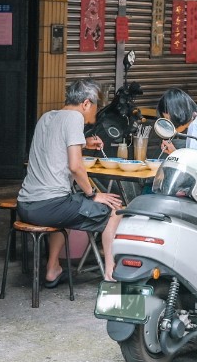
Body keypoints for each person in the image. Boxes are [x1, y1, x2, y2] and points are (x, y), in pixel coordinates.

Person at [17, 79, 123, 284]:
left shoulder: (46, 117)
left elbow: (54, 148)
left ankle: (53, 268)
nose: (95, 113)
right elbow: (75, 166)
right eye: (96, 107)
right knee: (114, 210)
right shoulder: (75, 118)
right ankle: (111, 271)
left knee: (69, 208)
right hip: (49, 207)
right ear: (85, 104)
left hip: (26, 205)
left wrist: (83, 144)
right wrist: (94, 194)